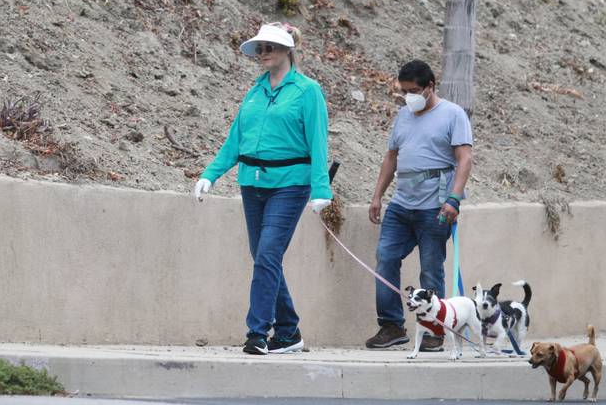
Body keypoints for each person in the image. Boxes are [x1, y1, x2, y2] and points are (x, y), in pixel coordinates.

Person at [194, 22, 332, 355]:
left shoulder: (307, 90)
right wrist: (210, 174)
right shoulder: (255, 91)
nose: (263, 53)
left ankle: (257, 332)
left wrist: (321, 188)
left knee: (268, 253)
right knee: (263, 256)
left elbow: (318, 140)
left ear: (288, 49)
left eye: (270, 47)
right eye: (260, 48)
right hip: (251, 184)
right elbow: (235, 140)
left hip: (290, 185)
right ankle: (288, 332)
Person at [365, 59, 473, 351]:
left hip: (435, 207)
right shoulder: (403, 115)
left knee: (430, 268)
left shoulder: (453, 114)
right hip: (401, 204)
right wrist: (377, 196)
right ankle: (391, 325)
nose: (408, 96)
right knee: (385, 257)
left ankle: (436, 330)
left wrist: (454, 198)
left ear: (430, 87)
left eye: (414, 90)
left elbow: (464, 158)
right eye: (404, 91)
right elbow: (391, 158)